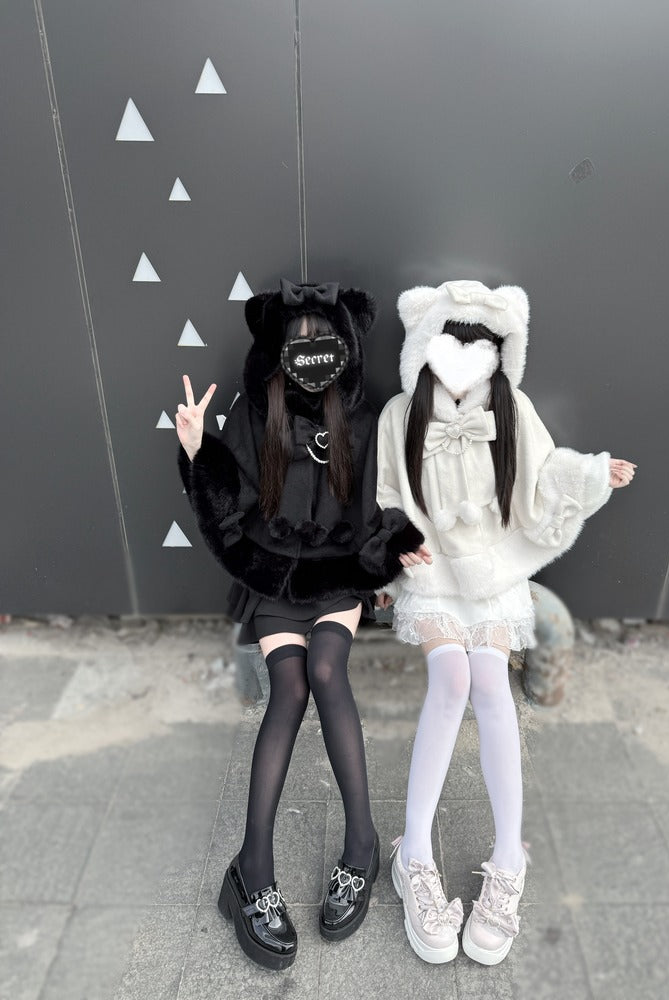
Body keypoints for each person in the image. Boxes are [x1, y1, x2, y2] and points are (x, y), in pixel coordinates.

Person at [375, 279, 636, 965]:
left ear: (498, 353)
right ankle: (416, 855)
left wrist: (590, 474)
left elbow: (547, 474)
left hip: (491, 570)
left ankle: (507, 861)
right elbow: (383, 496)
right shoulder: (399, 414)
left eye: (478, 345)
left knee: (492, 686)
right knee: (452, 681)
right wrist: (393, 545)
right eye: (451, 340)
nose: (464, 357)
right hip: (430, 568)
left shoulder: (511, 409)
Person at [175, 279, 423, 970]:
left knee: (325, 669)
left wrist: (397, 549)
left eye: (323, 339)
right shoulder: (262, 412)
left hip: (333, 573)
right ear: (280, 349)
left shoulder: (359, 415)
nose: (311, 352)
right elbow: (233, 507)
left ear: (343, 346)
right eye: (299, 341)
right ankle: (251, 871)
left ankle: (362, 847)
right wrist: (199, 449)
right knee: (288, 688)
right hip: (277, 577)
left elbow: (376, 508)